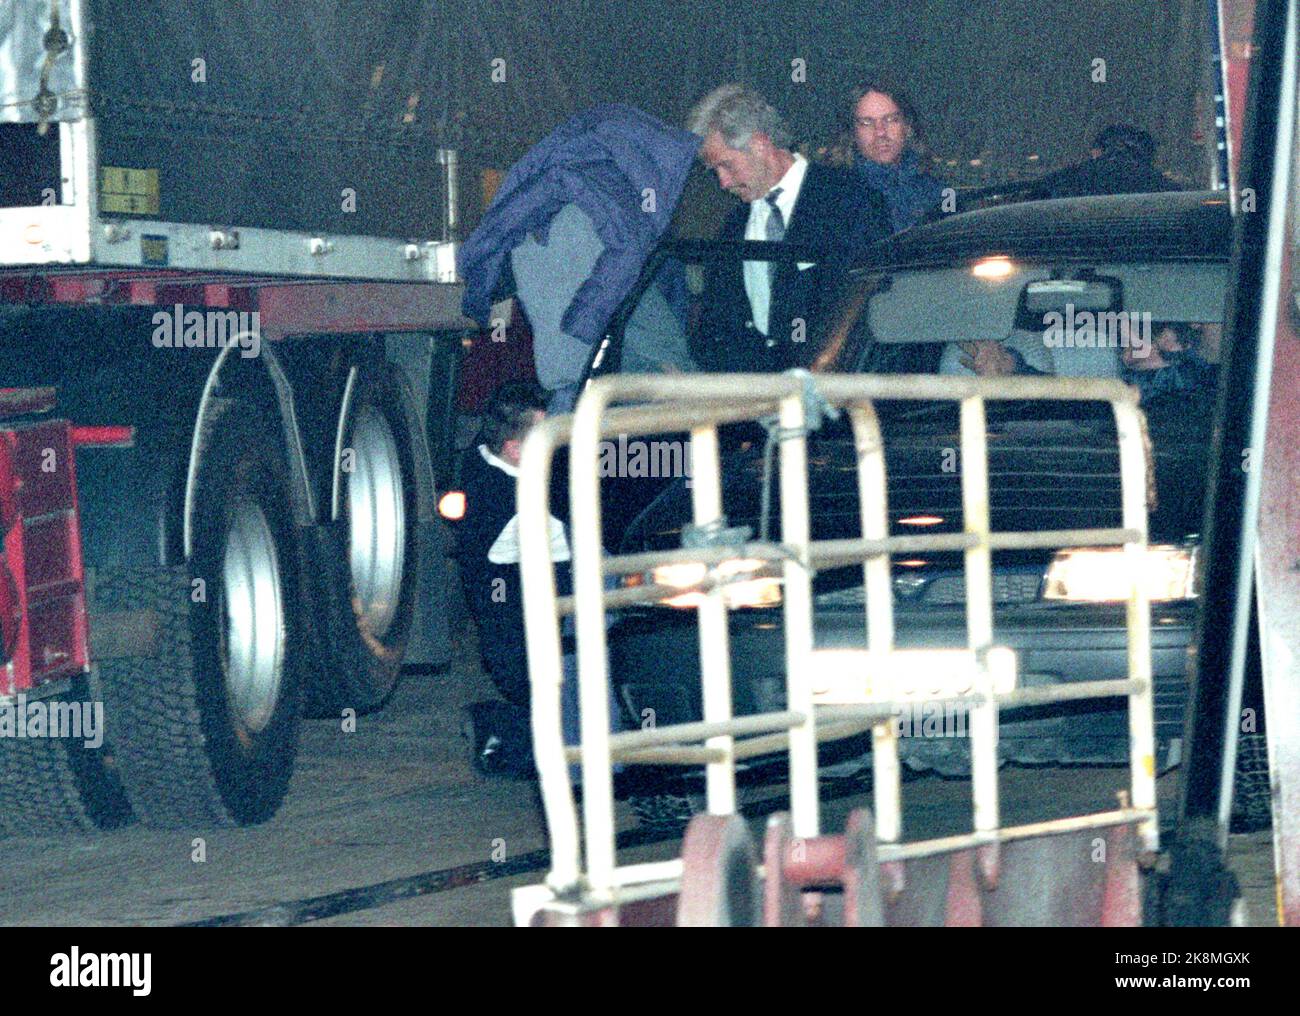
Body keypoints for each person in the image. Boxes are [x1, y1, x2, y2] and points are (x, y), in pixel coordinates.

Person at [458, 105, 700, 411]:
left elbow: (495, 311)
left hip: (570, 389)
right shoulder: (599, 222)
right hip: (619, 391)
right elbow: (641, 305)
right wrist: (681, 372)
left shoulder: (519, 233)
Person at [687, 83, 891, 373]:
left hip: (832, 395)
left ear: (759, 143)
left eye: (727, 166)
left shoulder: (850, 201)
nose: (723, 182)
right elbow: (716, 324)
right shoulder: (734, 226)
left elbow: (865, 308)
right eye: (715, 171)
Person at [848, 80, 948, 232]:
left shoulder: (937, 193)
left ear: (907, 126)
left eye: (890, 119)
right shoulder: (834, 197)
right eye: (867, 122)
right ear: (852, 132)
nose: (880, 132)